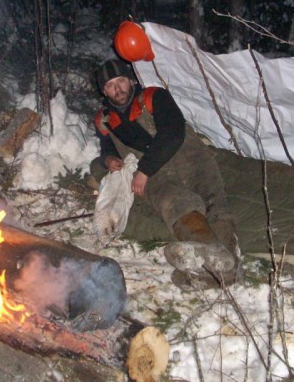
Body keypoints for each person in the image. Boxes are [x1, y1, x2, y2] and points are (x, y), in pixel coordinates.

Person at [91, 58, 239, 289]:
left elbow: (172, 134)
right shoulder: (104, 120)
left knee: (215, 204)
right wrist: (108, 158)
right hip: (157, 176)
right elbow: (107, 146)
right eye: (110, 85)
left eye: (121, 81)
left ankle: (218, 270)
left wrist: (144, 171)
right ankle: (221, 266)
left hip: (189, 158)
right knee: (173, 202)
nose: (118, 88)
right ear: (103, 90)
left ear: (131, 80)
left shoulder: (153, 97)